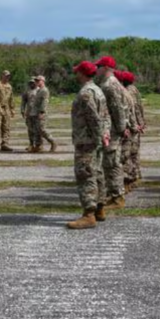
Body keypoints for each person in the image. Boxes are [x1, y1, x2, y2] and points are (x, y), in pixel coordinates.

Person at [67, 61, 110, 229]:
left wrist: (99, 137)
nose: (76, 74)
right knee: (97, 173)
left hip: (87, 141)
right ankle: (100, 209)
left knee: (85, 175)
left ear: (83, 73)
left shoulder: (86, 93)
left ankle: (89, 214)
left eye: (78, 72)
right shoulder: (98, 90)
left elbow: (94, 119)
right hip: (95, 140)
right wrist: (105, 134)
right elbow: (105, 116)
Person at [94, 56, 131, 210]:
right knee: (110, 163)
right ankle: (113, 194)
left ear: (106, 68)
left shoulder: (110, 85)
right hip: (112, 129)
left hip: (113, 131)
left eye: (99, 67)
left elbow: (117, 109)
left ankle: (117, 197)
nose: (96, 70)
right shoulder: (110, 84)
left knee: (112, 164)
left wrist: (122, 128)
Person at [118, 71, 145, 190]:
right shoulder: (134, 89)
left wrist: (135, 125)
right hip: (136, 124)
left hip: (132, 125)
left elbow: (133, 110)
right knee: (135, 152)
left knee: (129, 153)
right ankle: (136, 174)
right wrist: (141, 122)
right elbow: (140, 107)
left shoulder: (127, 92)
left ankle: (131, 177)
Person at [28, 76, 56, 153]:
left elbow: (45, 102)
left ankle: (53, 142)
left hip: (40, 113)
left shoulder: (44, 90)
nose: (36, 82)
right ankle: (38, 146)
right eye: (36, 80)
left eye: (38, 80)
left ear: (43, 81)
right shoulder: (39, 90)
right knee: (36, 130)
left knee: (42, 129)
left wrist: (42, 112)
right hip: (35, 113)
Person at [0, 70, 15, 152]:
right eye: (6, 76)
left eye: (8, 76)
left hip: (6, 108)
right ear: (2, 76)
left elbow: (11, 99)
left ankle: (5, 144)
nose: (7, 77)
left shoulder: (9, 86)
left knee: (6, 127)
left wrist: (12, 109)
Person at [21, 79, 37, 152]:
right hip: (29, 113)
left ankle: (38, 145)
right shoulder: (27, 91)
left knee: (38, 130)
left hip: (37, 113)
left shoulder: (39, 90)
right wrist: (22, 110)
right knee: (30, 129)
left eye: (33, 83)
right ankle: (31, 144)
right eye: (30, 83)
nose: (31, 84)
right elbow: (23, 102)